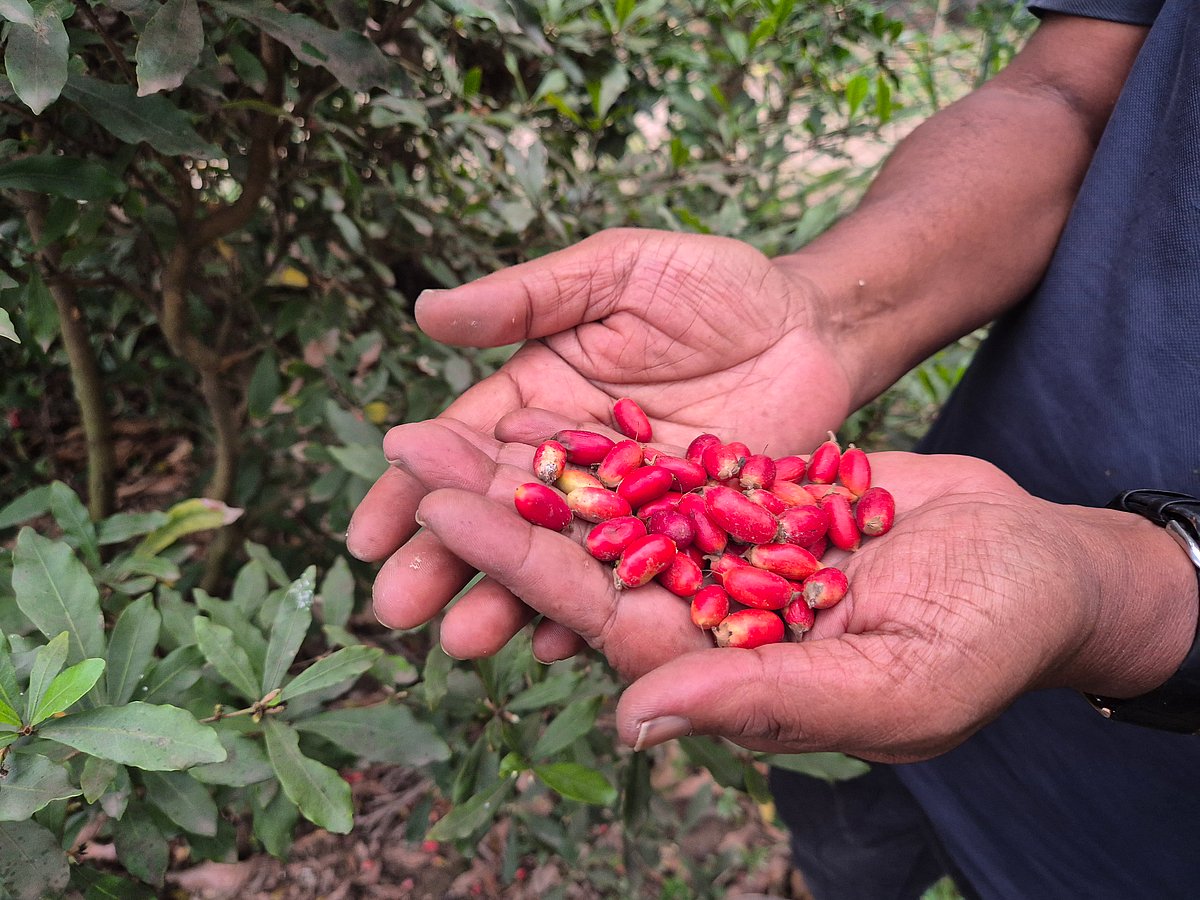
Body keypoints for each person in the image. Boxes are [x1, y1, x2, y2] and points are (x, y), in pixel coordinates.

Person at [348, 1, 1200, 896]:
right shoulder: (814, 533)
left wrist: (1130, 598)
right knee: (840, 850)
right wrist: (826, 314)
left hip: (1144, 841)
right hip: (913, 567)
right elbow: (1065, 92)